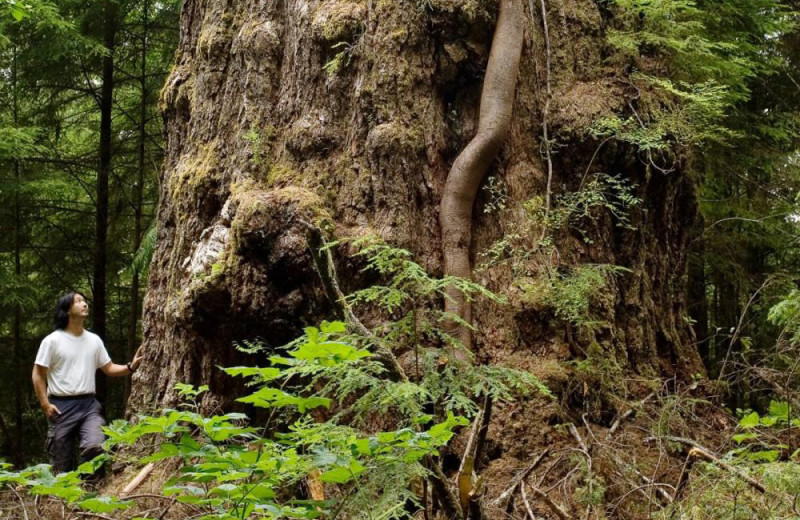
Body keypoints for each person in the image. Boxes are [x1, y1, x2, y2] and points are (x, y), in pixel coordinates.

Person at [31, 291, 144, 474]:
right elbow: (38, 374)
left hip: (89, 406)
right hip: (60, 406)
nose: (84, 304)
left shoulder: (94, 340)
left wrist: (131, 367)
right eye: (78, 301)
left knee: (96, 446)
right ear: (67, 310)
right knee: (61, 463)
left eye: (84, 301)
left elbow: (109, 369)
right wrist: (45, 404)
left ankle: (90, 491)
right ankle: (65, 499)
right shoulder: (52, 341)